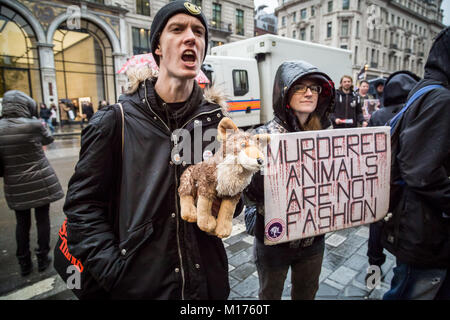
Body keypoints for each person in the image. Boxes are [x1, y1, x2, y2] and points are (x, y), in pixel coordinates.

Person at [63, 1, 242, 299]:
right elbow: (82, 209)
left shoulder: (216, 123)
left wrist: (235, 190)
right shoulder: (115, 120)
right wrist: (114, 272)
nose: (191, 38)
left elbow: (233, 201)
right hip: (142, 286)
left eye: (199, 32)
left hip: (206, 286)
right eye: (177, 29)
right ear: (157, 46)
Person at [243, 60, 335, 300]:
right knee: (269, 295)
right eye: (300, 87)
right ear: (284, 93)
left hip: (314, 241)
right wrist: (260, 177)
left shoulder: (328, 136)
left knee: (307, 293)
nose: (308, 93)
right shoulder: (262, 137)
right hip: (274, 243)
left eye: (314, 88)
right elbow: (248, 197)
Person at [381, 26, 450, 300]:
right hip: (424, 232)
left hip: (418, 228)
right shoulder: (441, 98)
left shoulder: (426, 90)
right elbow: (420, 171)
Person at [0, 90, 64, 276]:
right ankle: (43, 257)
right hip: (41, 181)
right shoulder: (34, 125)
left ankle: (24, 262)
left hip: (15, 184)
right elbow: (49, 139)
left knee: (22, 224)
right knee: (42, 220)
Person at [364, 70, 420, 282]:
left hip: (382, 181)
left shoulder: (379, 115)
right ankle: (400, 269)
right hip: (407, 182)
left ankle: (374, 270)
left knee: (376, 225)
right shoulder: (417, 111)